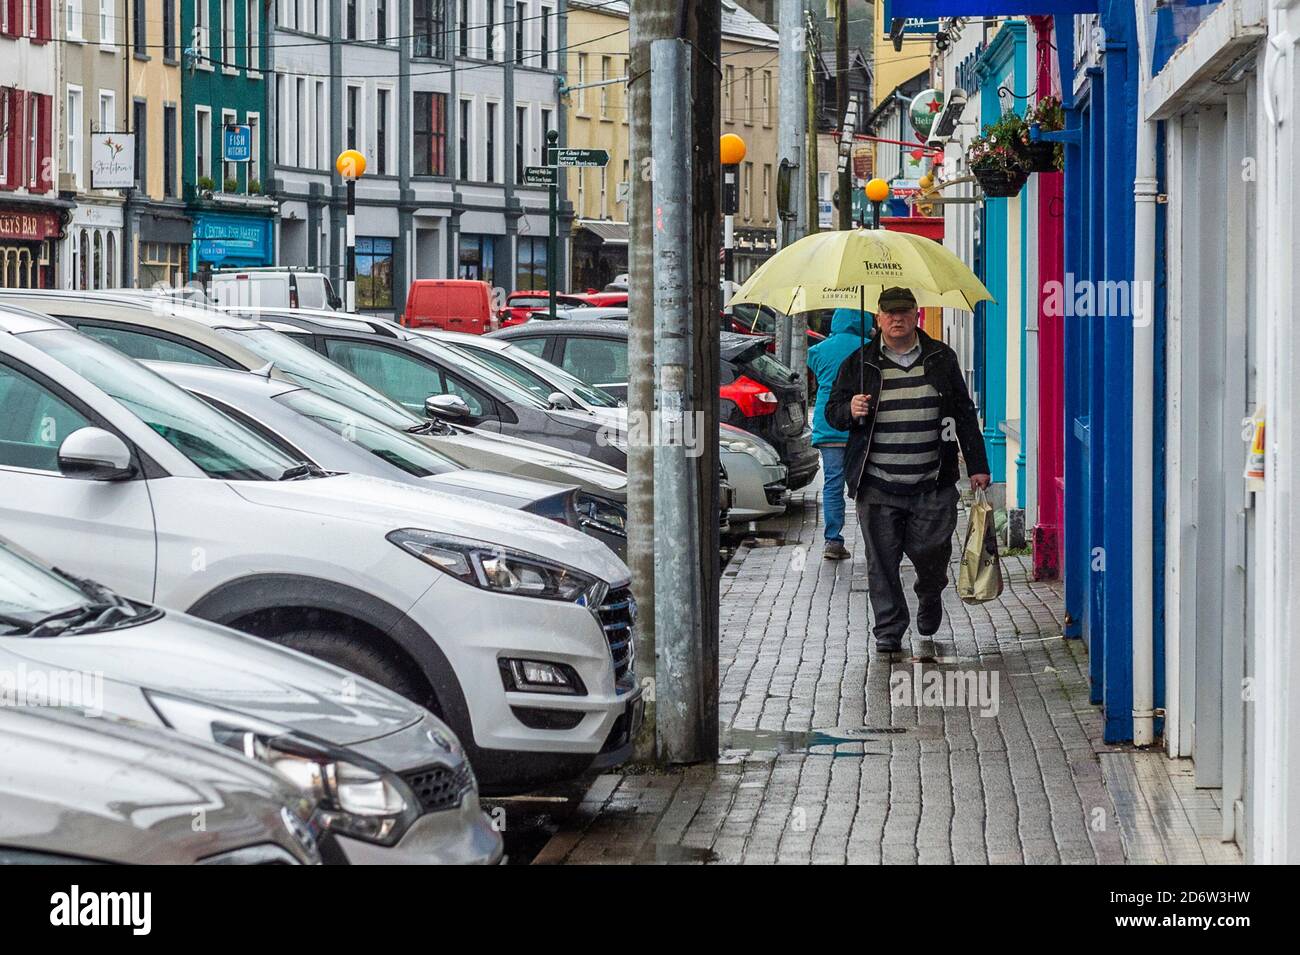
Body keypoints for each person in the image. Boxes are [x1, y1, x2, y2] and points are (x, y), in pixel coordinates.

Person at [825, 287, 991, 653]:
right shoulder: (860, 364)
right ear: (878, 318)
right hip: (877, 484)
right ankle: (889, 630)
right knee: (881, 562)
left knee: (933, 554)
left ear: (917, 314)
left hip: (933, 481)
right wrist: (850, 409)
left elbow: (963, 414)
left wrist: (978, 465)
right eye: (889, 313)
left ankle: (930, 593)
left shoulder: (940, 358)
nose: (896, 319)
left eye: (904, 312)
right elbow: (832, 413)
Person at [807, 307, 871, 560]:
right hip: (861, 423)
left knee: (833, 483)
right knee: (867, 486)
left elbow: (814, 366)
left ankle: (833, 540)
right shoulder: (870, 347)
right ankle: (874, 541)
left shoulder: (819, 350)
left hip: (829, 424)